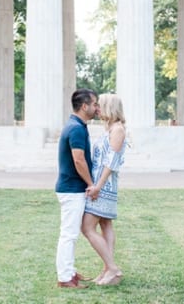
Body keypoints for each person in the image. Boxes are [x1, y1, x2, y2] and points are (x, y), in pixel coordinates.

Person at [55, 88, 100, 289]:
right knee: (69, 234)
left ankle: (70, 271)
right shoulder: (76, 129)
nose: (97, 107)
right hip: (72, 189)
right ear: (84, 106)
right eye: (94, 104)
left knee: (71, 233)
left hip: (72, 188)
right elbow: (78, 159)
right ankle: (65, 278)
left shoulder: (77, 126)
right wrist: (91, 184)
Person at [81, 93, 127, 286]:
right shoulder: (109, 128)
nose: (97, 109)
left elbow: (112, 162)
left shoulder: (118, 129)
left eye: (100, 106)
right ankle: (108, 270)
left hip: (104, 186)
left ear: (109, 107)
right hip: (99, 183)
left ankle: (113, 268)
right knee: (105, 225)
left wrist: (98, 186)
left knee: (87, 227)